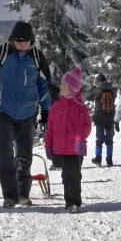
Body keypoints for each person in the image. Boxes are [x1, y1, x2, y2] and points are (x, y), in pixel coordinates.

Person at [0, 21, 52, 208]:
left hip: (28, 114)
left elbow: (44, 85)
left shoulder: (37, 57)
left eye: (25, 41)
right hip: (2, 112)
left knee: (24, 156)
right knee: (6, 155)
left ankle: (23, 194)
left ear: (32, 41)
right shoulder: (2, 54)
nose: (22, 45)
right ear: (12, 40)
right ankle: (10, 196)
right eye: (18, 41)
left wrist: (46, 109)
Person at [44, 67, 92, 213]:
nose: (60, 86)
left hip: (75, 149)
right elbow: (50, 128)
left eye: (64, 84)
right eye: (61, 83)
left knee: (74, 175)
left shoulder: (80, 107)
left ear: (72, 89)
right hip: (61, 149)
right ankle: (69, 201)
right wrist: (49, 145)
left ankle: (74, 202)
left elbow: (85, 126)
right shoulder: (56, 107)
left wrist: (79, 139)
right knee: (66, 175)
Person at [89, 74, 116, 166]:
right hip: (110, 117)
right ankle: (109, 160)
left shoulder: (98, 90)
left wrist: (94, 87)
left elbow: (89, 96)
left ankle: (98, 158)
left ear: (99, 81)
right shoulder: (112, 90)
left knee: (99, 140)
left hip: (100, 118)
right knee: (109, 140)